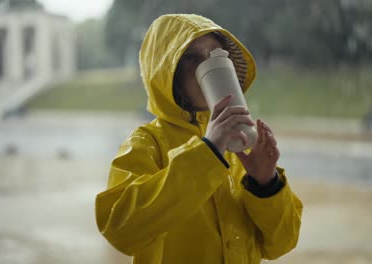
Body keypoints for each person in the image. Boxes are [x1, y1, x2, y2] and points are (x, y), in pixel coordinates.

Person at [95, 14, 302, 264]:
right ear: (166, 70)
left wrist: (266, 184)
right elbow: (121, 230)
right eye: (191, 58)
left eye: (217, 55)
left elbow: (282, 243)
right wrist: (208, 152)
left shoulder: (239, 148)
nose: (208, 65)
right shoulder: (147, 143)